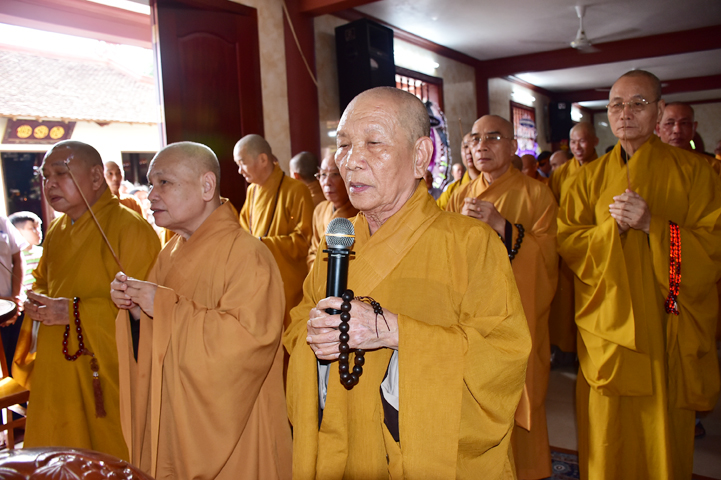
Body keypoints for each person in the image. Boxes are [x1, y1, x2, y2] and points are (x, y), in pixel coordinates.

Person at [284, 87, 530, 478]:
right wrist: (314, 336)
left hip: (428, 456)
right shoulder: (339, 240)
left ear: (420, 156)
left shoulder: (471, 242)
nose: (352, 161)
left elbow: (504, 355)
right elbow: (299, 324)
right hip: (345, 451)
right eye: (344, 145)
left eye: (374, 143)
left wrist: (393, 332)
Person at [558, 70, 721, 480]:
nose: (625, 113)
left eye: (638, 104)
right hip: (606, 322)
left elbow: (713, 244)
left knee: (660, 429)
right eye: (616, 104)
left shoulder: (697, 172)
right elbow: (568, 240)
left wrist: (655, 227)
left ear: (659, 111)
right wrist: (608, 232)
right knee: (607, 426)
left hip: (666, 320)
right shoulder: (586, 178)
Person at [111, 142, 292, 479]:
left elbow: (247, 343)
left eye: (164, 182)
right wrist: (137, 310)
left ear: (207, 186)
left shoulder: (246, 254)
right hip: (175, 419)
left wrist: (162, 306)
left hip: (234, 431)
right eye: (151, 184)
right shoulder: (169, 252)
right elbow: (155, 333)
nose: (151, 195)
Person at [16, 140, 160, 459]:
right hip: (58, 364)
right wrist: (37, 301)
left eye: (61, 173)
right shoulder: (57, 230)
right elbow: (44, 281)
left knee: (111, 459)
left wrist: (74, 312)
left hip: (104, 371)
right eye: (45, 176)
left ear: (96, 178)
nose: (50, 184)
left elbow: (147, 312)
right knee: (59, 457)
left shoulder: (130, 229)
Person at [447, 115, 558, 480]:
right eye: (475, 138)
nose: (482, 145)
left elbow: (548, 258)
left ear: (513, 147)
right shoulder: (457, 195)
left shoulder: (537, 194)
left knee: (518, 394)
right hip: (468, 319)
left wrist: (502, 226)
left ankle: (526, 471)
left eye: (493, 138)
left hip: (517, 316)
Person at [235, 134, 314, 323]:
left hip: (288, 284)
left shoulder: (297, 190)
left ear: (263, 159)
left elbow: (304, 241)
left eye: (242, 163)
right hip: (257, 281)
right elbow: (243, 231)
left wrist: (262, 244)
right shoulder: (252, 191)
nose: (239, 171)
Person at [547, 124, 600, 357]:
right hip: (566, 243)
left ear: (595, 141)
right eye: (573, 142)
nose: (577, 147)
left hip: (593, 243)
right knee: (565, 300)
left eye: (583, 141)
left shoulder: (604, 169)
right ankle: (565, 348)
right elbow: (551, 205)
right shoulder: (561, 173)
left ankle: (588, 349)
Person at [306, 151, 358, 269]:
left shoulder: (361, 212)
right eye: (323, 174)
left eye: (335, 174)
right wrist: (319, 273)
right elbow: (313, 252)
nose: (327, 182)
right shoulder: (320, 210)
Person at [657, 102, 721, 175]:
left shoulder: (714, 167)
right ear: (658, 129)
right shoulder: (649, 164)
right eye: (669, 123)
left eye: (684, 123)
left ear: (694, 128)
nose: (677, 130)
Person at [0, 215, 27, 372]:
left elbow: (18, 258)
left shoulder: (2, 221)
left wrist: (15, 300)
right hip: (5, 306)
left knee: (17, 367)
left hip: (13, 309)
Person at [436, 132, 480, 210]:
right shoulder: (452, 190)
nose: (468, 151)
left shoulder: (493, 183)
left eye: (473, 145)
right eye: (465, 147)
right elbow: (436, 213)